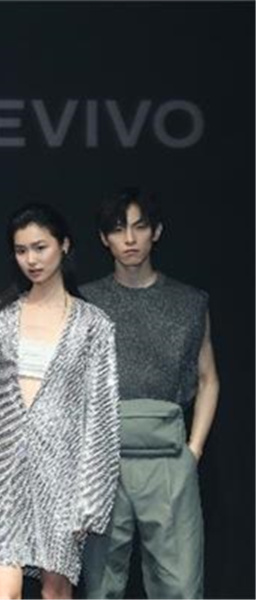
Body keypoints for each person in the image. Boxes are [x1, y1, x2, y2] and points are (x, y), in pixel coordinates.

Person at [0, 202, 120, 599]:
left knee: (55, 591)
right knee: (2, 590)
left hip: (62, 474)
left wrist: (91, 497)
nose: (31, 260)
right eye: (21, 250)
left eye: (40, 247)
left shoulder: (93, 326)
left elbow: (101, 417)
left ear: (64, 245)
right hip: (0, 470)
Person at [81, 188, 219, 599]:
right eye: (118, 229)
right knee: (100, 582)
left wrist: (193, 450)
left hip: (169, 456)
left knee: (180, 584)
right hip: (103, 457)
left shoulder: (189, 302)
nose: (129, 239)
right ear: (104, 238)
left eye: (139, 227)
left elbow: (208, 378)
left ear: (155, 232)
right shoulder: (86, 303)